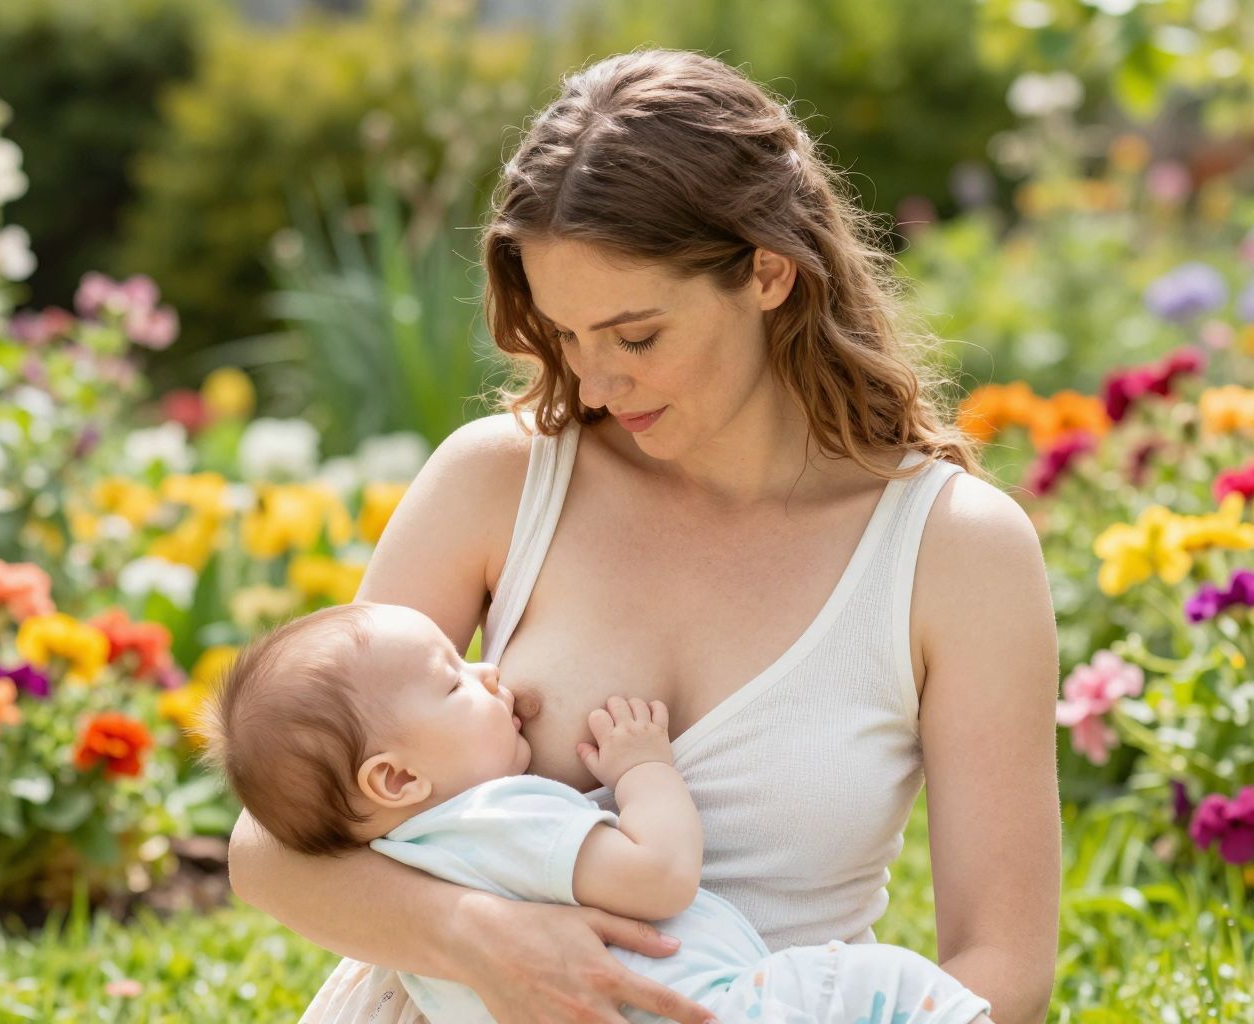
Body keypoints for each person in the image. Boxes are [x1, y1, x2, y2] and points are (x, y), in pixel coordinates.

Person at [228, 46, 1061, 1024]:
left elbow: (1005, 966)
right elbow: (267, 851)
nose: (594, 383)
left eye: (636, 336)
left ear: (768, 272)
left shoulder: (955, 552)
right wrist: (475, 938)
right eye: (565, 335)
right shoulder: (502, 480)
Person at [206, 599, 997, 1024]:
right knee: (881, 986)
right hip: (713, 1008)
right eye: (453, 680)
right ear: (397, 778)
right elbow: (659, 876)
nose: (489, 672)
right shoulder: (498, 820)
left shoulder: (399, 861)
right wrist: (644, 770)